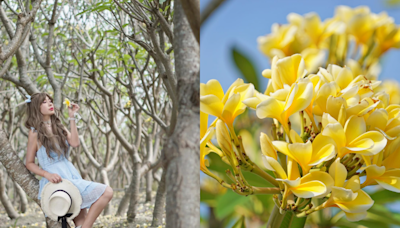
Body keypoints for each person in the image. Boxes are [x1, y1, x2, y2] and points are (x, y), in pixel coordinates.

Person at [24, 92, 113, 228]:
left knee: (80, 220)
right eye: (44, 102)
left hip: (71, 174)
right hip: (56, 178)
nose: (50, 103)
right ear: (36, 107)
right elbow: (29, 163)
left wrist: (72, 117)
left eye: (50, 101)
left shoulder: (58, 126)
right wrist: (46, 174)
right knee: (107, 192)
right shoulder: (34, 132)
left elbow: (75, 143)